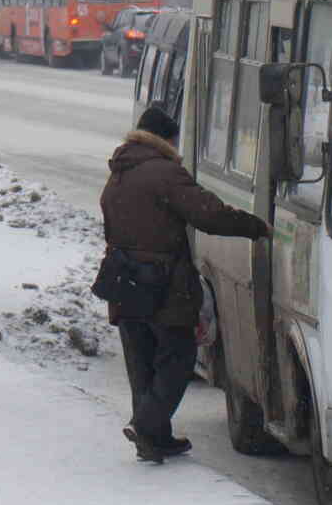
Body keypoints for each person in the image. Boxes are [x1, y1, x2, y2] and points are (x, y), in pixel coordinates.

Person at [100, 105, 270, 464]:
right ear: (167, 139)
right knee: (178, 357)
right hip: (163, 282)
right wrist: (254, 226)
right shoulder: (164, 173)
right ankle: (147, 425)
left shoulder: (119, 171)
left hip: (123, 278)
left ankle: (155, 439)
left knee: (142, 361)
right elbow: (208, 213)